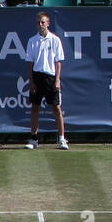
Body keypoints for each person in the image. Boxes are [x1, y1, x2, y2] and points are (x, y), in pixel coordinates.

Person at [24, 11, 67, 150]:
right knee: (35, 107)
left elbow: (58, 62)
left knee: (56, 108)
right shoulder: (32, 41)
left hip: (51, 77)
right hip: (37, 76)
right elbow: (30, 63)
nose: (40, 25)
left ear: (48, 24)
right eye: (38, 22)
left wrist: (57, 80)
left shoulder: (55, 40)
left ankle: (61, 139)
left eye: (43, 22)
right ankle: (34, 138)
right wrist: (31, 81)